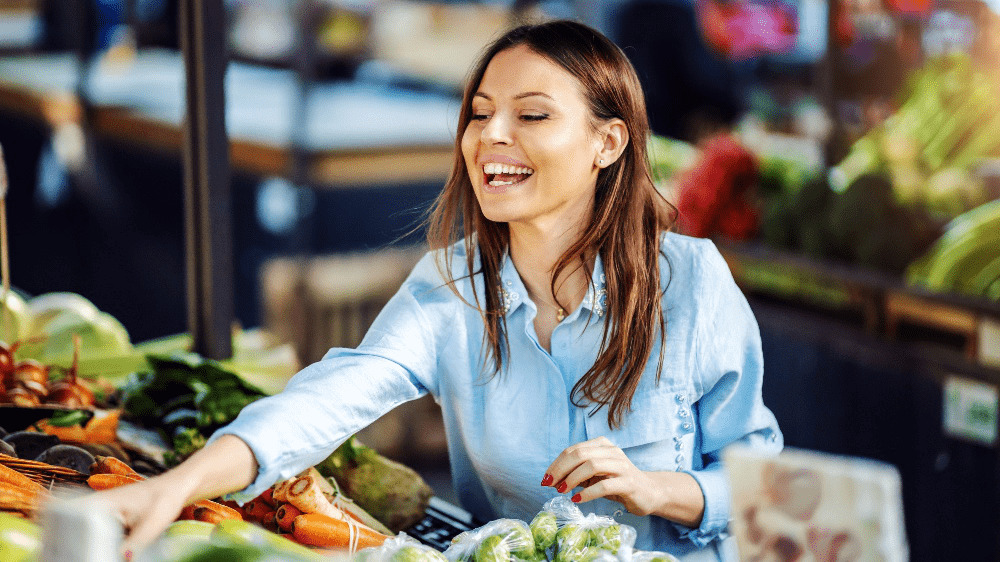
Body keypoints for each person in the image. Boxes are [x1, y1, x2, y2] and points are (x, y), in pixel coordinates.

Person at [98, 20, 782, 561]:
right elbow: (325, 399)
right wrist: (176, 484)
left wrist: (655, 489)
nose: (493, 136)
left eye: (532, 115)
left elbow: (761, 490)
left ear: (608, 142)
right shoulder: (449, 289)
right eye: (480, 114)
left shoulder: (689, 282)